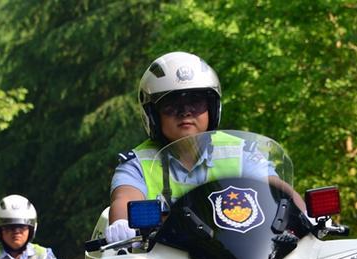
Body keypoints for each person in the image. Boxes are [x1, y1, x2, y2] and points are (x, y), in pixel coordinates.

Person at [105, 51, 304, 243]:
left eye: (196, 101)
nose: (185, 112)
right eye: (171, 104)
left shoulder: (240, 151)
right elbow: (124, 198)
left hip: (244, 254)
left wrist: (304, 214)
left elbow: (275, 187)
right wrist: (122, 222)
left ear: (212, 107)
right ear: (153, 114)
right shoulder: (137, 163)